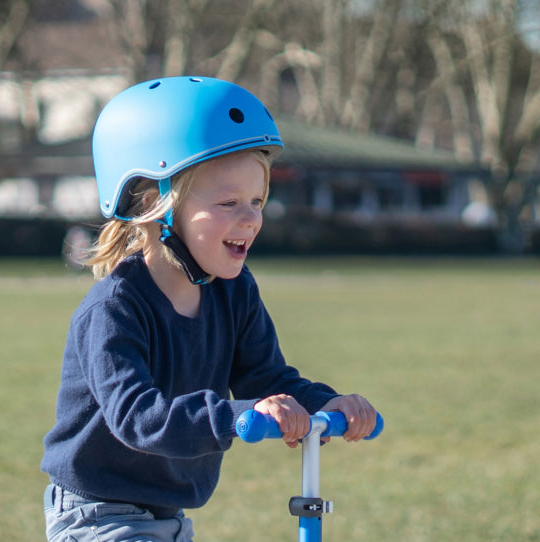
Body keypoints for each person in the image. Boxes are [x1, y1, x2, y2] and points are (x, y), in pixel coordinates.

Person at [41, 76, 377, 542]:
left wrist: (325, 404)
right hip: (97, 515)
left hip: (168, 516)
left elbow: (268, 380)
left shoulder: (233, 292)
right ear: (154, 203)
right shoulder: (115, 309)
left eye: (257, 202)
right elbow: (139, 418)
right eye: (228, 202)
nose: (250, 218)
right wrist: (237, 414)